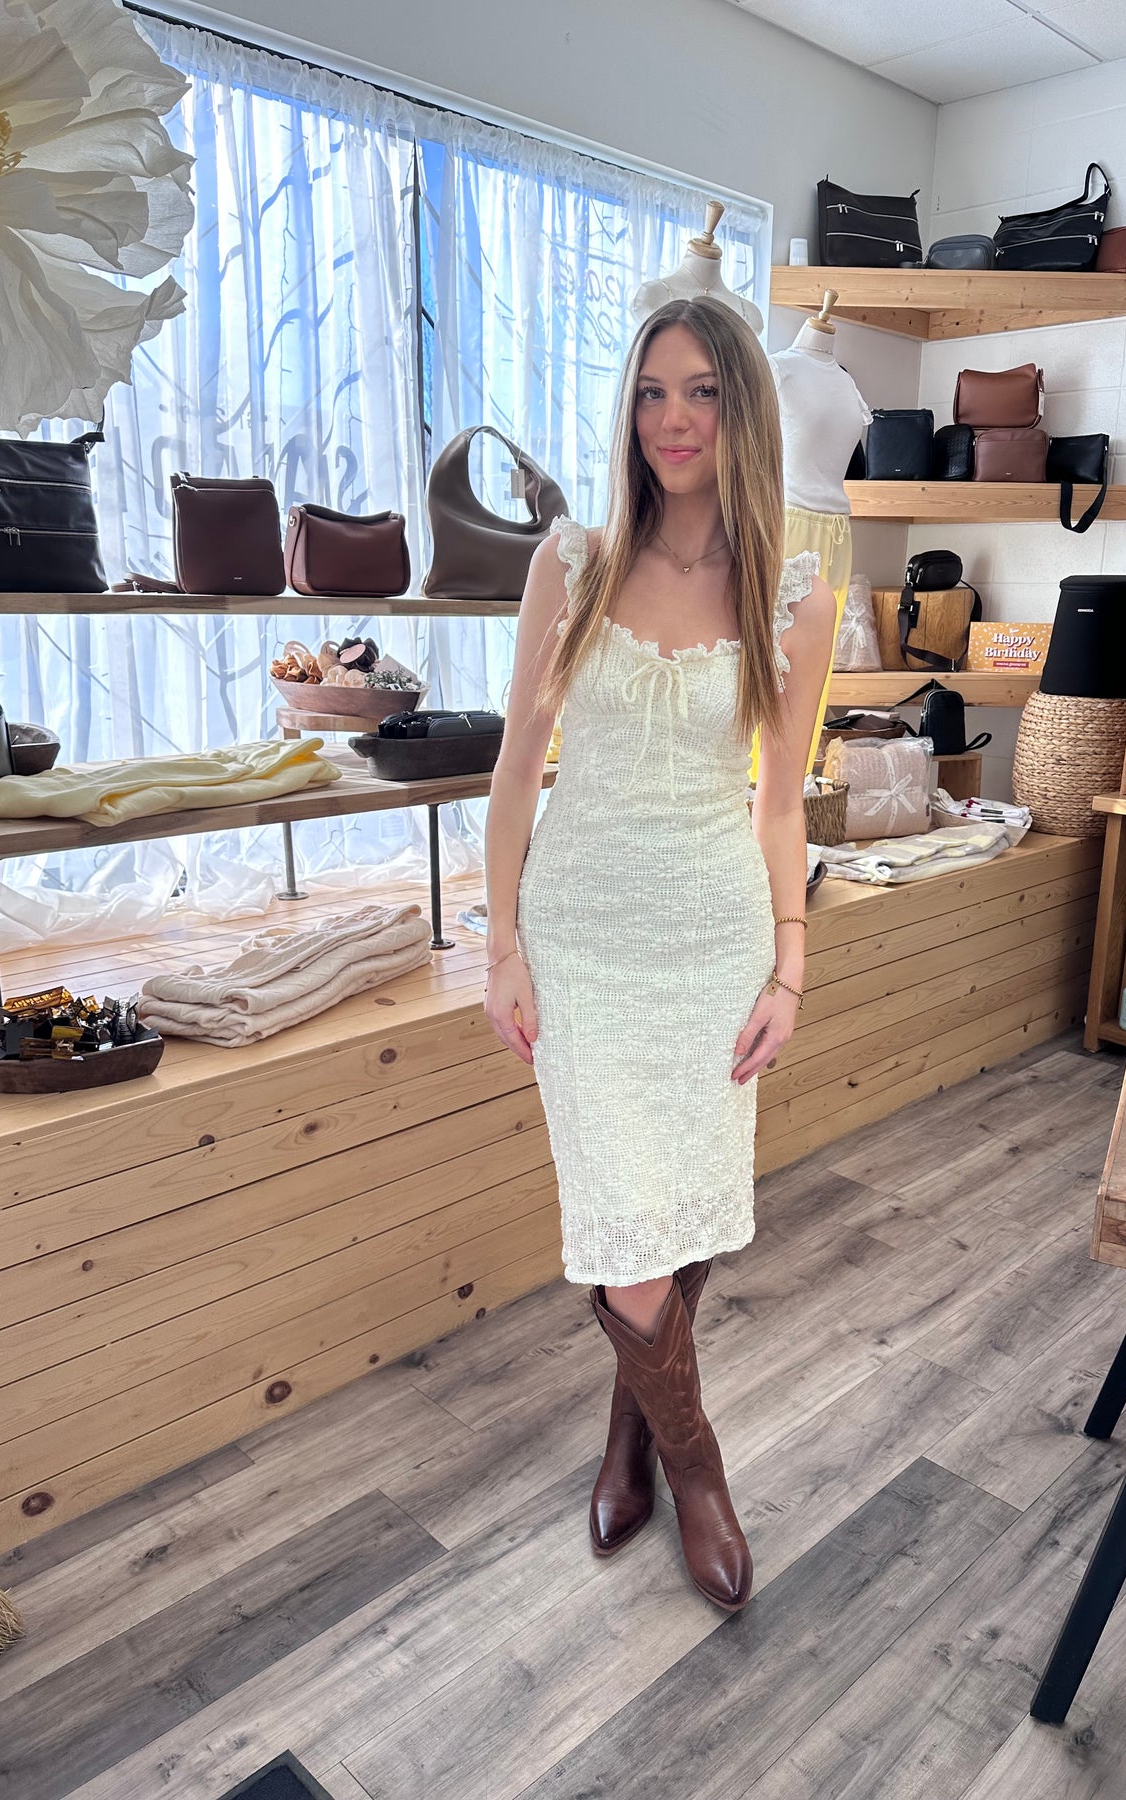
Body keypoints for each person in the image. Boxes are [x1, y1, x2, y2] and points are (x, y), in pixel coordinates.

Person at [482, 295, 837, 1612]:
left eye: (700, 392)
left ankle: (627, 1440)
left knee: (677, 1212)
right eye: (649, 392)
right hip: (580, 943)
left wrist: (789, 967)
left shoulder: (792, 596)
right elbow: (516, 768)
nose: (672, 419)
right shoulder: (570, 564)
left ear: (743, 407)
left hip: (713, 940)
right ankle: (700, 1475)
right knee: (627, 1222)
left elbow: (780, 804)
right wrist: (501, 944)